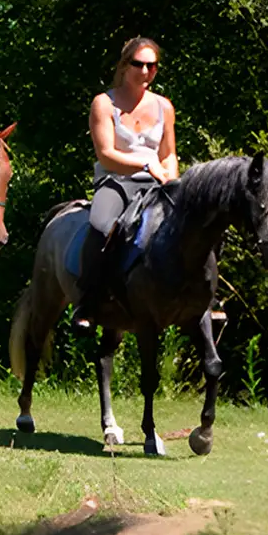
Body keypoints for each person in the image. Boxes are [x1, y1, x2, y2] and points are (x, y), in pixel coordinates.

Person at [74, 37, 178, 328]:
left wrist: (173, 181)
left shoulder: (164, 106)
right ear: (123, 65)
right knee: (102, 223)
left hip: (158, 182)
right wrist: (146, 163)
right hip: (116, 180)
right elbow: (107, 155)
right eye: (138, 64)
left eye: (152, 66)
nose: (145, 72)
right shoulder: (104, 104)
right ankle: (87, 300)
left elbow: (169, 154)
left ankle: (203, 297)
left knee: (193, 222)